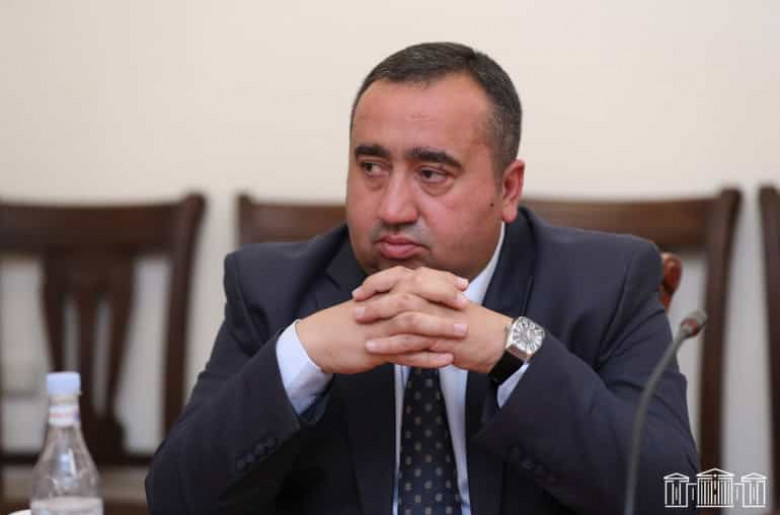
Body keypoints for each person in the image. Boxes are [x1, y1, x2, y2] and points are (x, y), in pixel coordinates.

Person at [146, 42, 698, 514]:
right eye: (371, 168)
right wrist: (303, 354)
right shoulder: (272, 289)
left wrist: (511, 350)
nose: (392, 208)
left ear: (507, 188)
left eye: (431, 173)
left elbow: (671, 495)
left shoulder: (608, 282)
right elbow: (174, 499)